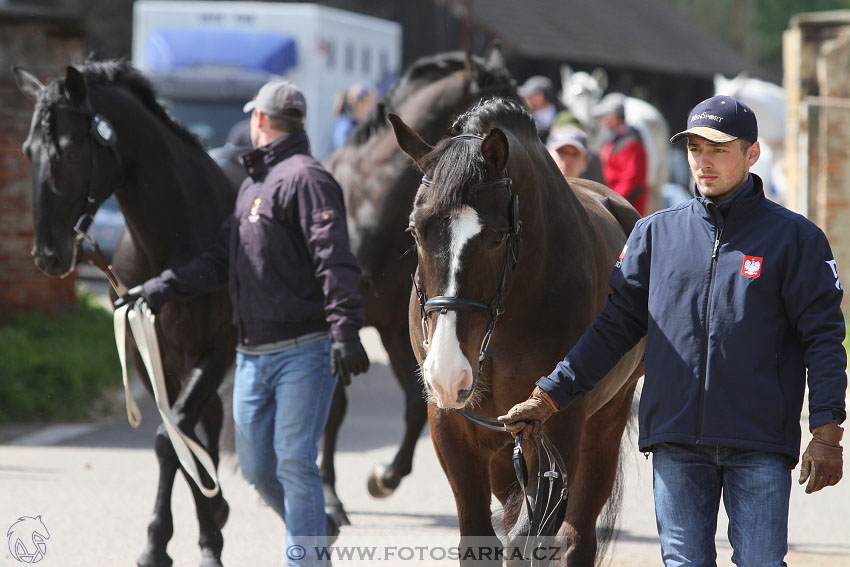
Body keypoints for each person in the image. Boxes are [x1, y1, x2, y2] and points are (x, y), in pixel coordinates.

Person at [498, 95, 846, 567]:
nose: (704, 161)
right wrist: (549, 395)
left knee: (762, 563)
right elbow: (615, 328)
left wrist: (826, 431)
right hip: (676, 442)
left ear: (752, 154)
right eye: (695, 148)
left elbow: (823, 338)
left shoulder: (797, 240)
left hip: (759, 442)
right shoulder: (654, 235)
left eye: (719, 149)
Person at [117, 79, 370, 565]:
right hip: (252, 354)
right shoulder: (253, 185)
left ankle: (307, 556)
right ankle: (315, 530)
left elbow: (334, 261)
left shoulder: (308, 178)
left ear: (258, 120)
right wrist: (158, 287)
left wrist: (344, 330)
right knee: (256, 468)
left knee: (295, 462)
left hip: (303, 350)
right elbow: (220, 260)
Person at [593, 93, 649, 215]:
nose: (602, 121)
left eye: (604, 116)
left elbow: (631, 182)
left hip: (624, 209)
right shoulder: (610, 141)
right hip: (608, 202)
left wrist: (610, 201)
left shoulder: (632, 145)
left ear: (613, 117)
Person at [331, 82, 377, 151]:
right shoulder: (345, 128)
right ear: (359, 104)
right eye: (370, 103)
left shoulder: (363, 125)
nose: (373, 108)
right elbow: (346, 153)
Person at [518, 75, 558, 142]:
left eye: (528, 96)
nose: (525, 100)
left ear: (539, 98)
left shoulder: (563, 117)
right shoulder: (525, 116)